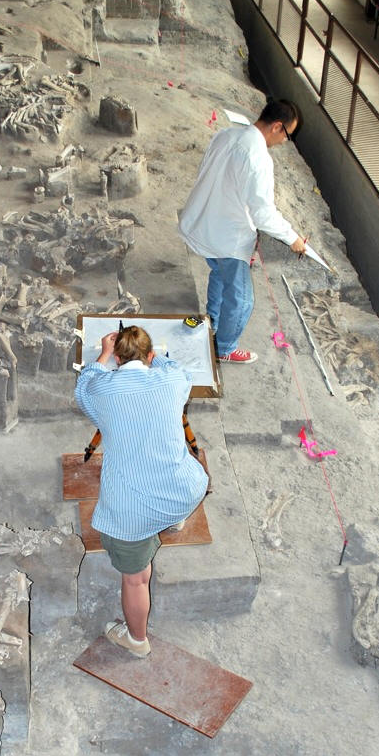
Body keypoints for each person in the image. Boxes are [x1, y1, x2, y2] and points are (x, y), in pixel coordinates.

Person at [74, 326, 209, 657]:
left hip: (133, 512)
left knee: (136, 579)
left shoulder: (104, 390)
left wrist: (102, 355)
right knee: (178, 488)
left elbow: (83, 389)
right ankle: (172, 520)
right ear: (150, 356)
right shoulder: (172, 381)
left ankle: (136, 641)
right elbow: (175, 367)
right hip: (187, 490)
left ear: (118, 359)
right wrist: (157, 355)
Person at [178, 99, 307, 363]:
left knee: (219, 273)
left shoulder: (227, 134)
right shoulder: (258, 158)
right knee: (242, 300)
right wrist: (292, 238)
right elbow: (263, 213)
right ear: (277, 127)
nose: (285, 141)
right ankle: (223, 348)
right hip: (228, 235)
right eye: (288, 135)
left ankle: (211, 319)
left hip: (203, 219)